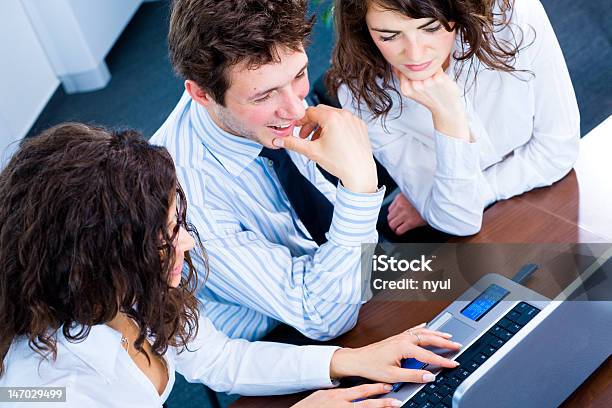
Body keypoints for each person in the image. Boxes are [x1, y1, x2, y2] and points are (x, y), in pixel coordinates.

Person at [0, 123, 461, 407]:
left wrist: (352, 360)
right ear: (101, 259)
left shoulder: (132, 294)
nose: (186, 241)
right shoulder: (43, 391)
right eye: (166, 236)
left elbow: (221, 358)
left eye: (179, 222)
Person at [152, 0, 385, 341]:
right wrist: (360, 189)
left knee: (477, 283)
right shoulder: (185, 197)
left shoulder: (269, 94)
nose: (294, 108)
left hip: (342, 270)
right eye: (264, 96)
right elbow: (320, 316)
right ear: (202, 94)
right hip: (283, 333)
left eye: (300, 75)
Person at [329, 0, 580, 236]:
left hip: (556, 202)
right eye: (389, 36)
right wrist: (448, 117)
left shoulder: (512, 13)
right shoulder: (360, 92)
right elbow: (458, 219)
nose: (415, 55)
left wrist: (455, 196)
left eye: (431, 27)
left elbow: (558, 150)